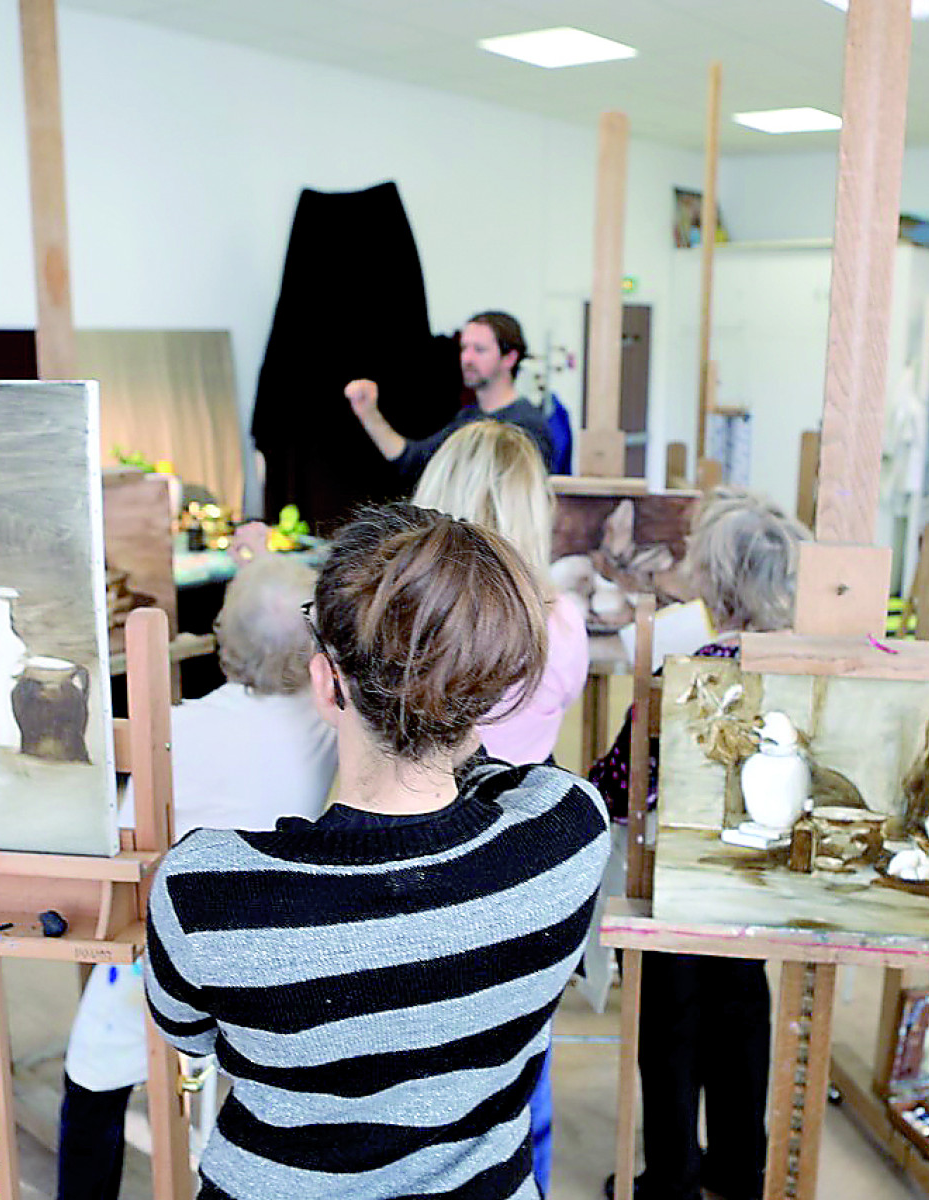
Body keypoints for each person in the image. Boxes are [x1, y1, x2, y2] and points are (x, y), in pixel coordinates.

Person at [144, 503, 611, 1200]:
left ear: (326, 683)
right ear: (485, 684)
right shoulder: (570, 833)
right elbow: (508, 778)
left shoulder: (205, 893)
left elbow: (191, 1037)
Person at [57, 554, 338, 1200]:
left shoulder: (176, 734)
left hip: (173, 960)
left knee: (93, 1069)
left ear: (222, 639)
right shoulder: (332, 727)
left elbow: (127, 859)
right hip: (284, 961)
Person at [589, 487, 809, 1200]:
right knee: (745, 1013)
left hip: (680, 892)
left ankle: (673, 1178)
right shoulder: (797, 667)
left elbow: (626, 776)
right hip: (758, 884)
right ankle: (744, 1169)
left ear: (715, 581)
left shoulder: (688, 671)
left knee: (671, 1030)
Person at [412, 421, 590, 1194]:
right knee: (524, 1047)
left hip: (430, 828)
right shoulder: (559, 622)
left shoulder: (417, 620)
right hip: (525, 844)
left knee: (426, 1048)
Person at [413, 420, 588, 767]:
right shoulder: (560, 619)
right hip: (527, 800)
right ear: (535, 509)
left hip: (426, 800)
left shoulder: (405, 612)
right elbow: (567, 695)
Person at [344, 311, 554, 484]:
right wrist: (367, 412)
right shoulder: (467, 417)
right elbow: (414, 462)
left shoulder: (527, 425)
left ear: (509, 358)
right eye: (464, 348)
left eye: (479, 350)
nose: (467, 358)